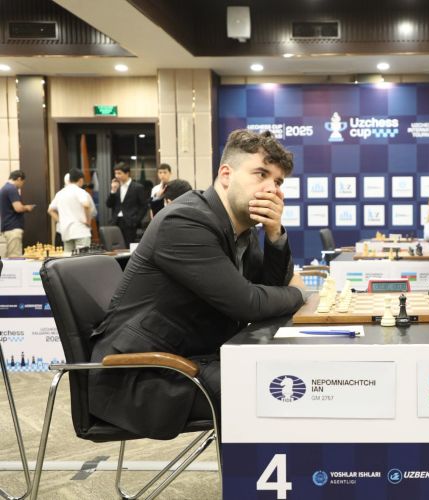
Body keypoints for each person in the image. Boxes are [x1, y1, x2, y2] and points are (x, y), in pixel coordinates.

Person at [88, 130, 306, 439]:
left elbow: (270, 288)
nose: (272, 189)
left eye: (279, 182)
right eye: (261, 174)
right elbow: (249, 303)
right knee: (278, 391)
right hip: (141, 374)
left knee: (286, 379)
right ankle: (265, 473)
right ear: (226, 175)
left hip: (191, 358)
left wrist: (275, 233)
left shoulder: (240, 230)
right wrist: (300, 293)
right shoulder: (186, 222)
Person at [48, 169, 94, 252]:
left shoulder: (60, 193)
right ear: (81, 180)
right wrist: (88, 221)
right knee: (83, 258)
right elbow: (86, 205)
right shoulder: (80, 192)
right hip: (81, 230)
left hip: (66, 231)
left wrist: (61, 221)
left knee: (69, 258)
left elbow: (50, 210)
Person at [106, 163, 148, 246]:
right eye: (115, 173)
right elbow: (109, 204)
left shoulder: (137, 187)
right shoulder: (116, 186)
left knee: (128, 246)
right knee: (116, 246)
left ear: (127, 173)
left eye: (119, 173)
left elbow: (144, 206)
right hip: (116, 221)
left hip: (130, 222)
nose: (117, 176)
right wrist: (113, 191)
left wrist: (136, 220)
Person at [0, 170, 35, 257]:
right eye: (23, 182)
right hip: (13, 228)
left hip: (7, 226)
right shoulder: (12, 189)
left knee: (9, 256)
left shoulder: (4, 188)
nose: (22, 185)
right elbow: (18, 208)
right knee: (14, 257)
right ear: (19, 179)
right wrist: (27, 207)